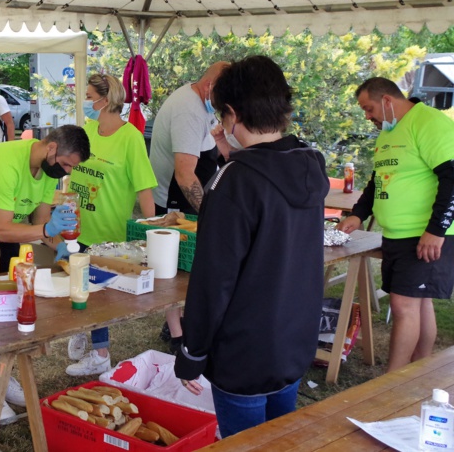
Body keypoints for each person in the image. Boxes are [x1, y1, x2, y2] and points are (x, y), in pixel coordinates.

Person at [174, 56, 328, 438]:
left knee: (245, 442)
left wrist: (192, 352)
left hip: (245, 351)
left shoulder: (234, 183)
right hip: (294, 340)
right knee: (280, 438)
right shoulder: (309, 162)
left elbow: (213, 280)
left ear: (231, 112)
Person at [0, 124, 90, 423]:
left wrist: (59, 243)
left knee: (13, 303)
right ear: (51, 148)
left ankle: (2, 374)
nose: (65, 173)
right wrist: (45, 230)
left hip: (7, 232)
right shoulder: (5, 162)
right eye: (65, 164)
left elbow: (39, 222)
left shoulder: (47, 173)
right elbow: (3, 229)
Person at [338, 77, 454, 372]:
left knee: (404, 307)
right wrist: (358, 213)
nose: (367, 116)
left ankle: (391, 382)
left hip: (425, 234)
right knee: (418, 303)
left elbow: (452, 178)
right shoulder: (388, 133)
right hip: (398, 234)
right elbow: (378, 180)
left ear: (387, 101)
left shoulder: (428, 122)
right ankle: (417, 373)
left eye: (369, 108)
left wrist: (436, 230)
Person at [64, 74, 157, 376]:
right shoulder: (87, 130)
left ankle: (101, 354)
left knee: (100, 296)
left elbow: (144, 188)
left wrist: (152, 232)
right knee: (75, 283)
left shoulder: (130, 138)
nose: (86, 101)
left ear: (105, 100)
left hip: (109, 232)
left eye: (90, 96)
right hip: (77, 224)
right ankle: (80, 327)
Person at [149, 62, 229, 352]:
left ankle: (184, 322)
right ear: (210, 87)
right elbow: (184, 175)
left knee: (193, 267)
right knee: (178, 270)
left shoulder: (202, 105)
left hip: (189, 196)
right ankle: (178, 335)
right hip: (175, 199)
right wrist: (209, 213)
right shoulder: (189, 110)